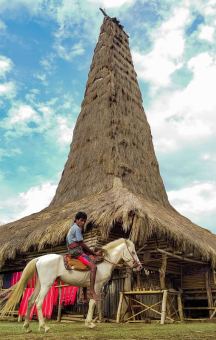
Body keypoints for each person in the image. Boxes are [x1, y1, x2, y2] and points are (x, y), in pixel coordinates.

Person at [66, 211, 100, 300]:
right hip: (76, 252)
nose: (83, 223)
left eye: (84, 221)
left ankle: (84, 295)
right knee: (93, 267)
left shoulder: (72, 228)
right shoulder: (77, 228)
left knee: (87, 264)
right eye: (81, 220)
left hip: (73, 250)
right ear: (76, 220)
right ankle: (92, 291)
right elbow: (81, 244)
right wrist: (93, 253)